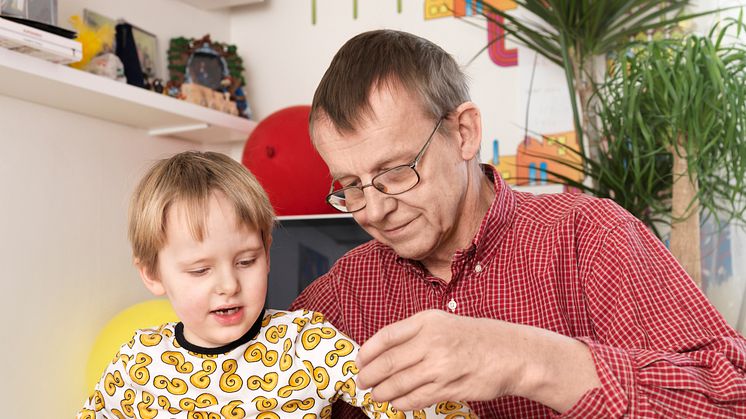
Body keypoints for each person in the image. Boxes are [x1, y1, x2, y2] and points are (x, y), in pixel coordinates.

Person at [290, 29, 746, 418]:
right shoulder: (342, 294)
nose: (371, 210)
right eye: (351, 184)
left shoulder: (591, 238)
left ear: (463, 133)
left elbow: (733, 400)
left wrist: (529, 359)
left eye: (394, 172)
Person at [78, 151, 475, 418]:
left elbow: (411, 405)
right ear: (152, 274)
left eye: (246, 261)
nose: (228, 285)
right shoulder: (137, 361)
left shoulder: (305, 343)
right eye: (200, 271)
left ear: (268, 254)